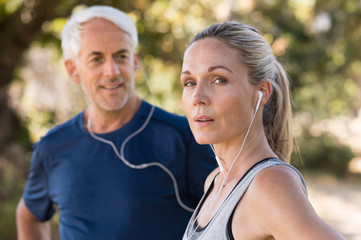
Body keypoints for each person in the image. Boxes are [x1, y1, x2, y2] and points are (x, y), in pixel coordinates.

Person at [16, 5, 215, 240]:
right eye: (96, 59)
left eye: (121, 56)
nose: (111, 71)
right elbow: (28, 215)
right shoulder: (52, 147)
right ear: (73, 70)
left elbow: (231, 213)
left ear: (134, 60)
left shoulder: (185, 136)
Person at [180, 21, 346, 240]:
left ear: (262, 91)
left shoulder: (269, 183)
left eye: (219, 79)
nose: (198, 98)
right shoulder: (214, 181)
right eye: (190, 82)